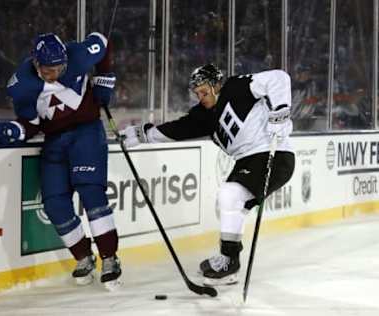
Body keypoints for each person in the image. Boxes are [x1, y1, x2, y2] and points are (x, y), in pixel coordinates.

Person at [120, 64, 295, 286]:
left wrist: (280, 110)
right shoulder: (204, 116)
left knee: (230, 195)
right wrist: (144, 135)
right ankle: (229, 260)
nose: (201, 97)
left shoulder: (236, 87)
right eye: (197, 94)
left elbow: (278, 78)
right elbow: (177, 129)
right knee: (231, 202)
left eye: (204, 91)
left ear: (215, 85)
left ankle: (229, 261)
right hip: (248, 161)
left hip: (274, 153)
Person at [0, 32, 121, 288]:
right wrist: (17, 130)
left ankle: (110, 257)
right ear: (36, 64)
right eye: (49, 70)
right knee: (54, 204)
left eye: (60, 68)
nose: (56, 73)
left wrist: (105, 76)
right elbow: (31, 124)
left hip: (86, 132)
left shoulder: (78, 55)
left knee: (90, 192)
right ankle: (84, 257)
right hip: (54, 141)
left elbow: (102, 42)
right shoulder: (21, 85)